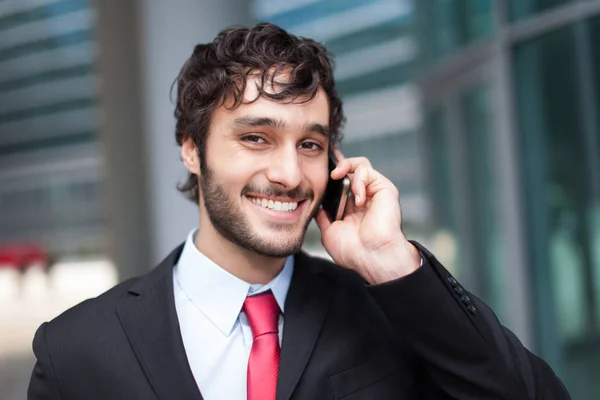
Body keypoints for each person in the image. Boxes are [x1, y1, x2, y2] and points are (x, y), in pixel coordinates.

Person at [28, 23, 570, 400]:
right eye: (257, 138)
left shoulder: (390, 310)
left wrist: (394, 263)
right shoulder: (76, 349)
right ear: (192, 149)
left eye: (310, 145)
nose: (289, 174)